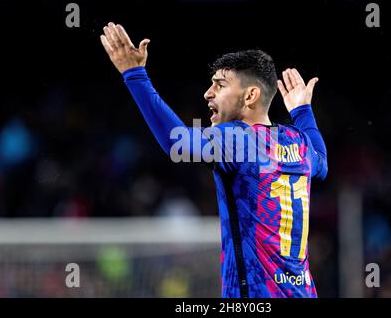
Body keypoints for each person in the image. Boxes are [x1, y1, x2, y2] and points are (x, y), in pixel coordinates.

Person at [100, 22, 328, 298]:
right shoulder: (298, 142)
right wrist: (303, 111)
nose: (207, 93)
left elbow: (177, 141)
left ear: (250, 95)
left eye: (219, 85)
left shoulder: (240, 139)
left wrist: (134, 74)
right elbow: (322, 164)